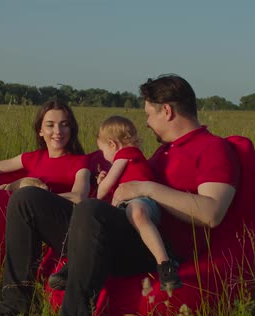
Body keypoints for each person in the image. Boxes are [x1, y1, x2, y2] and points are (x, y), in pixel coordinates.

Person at [0, 74, 244, 316]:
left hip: (152, 247)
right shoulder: (164, 151)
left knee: (91, 209)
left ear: (166, 111)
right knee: (26, 200)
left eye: (148, 114)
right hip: (117, 230)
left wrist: (146, 188)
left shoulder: (213, 148)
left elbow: (212, 212)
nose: (146, 123)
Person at [47, 115, 181, 292]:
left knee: (135, 211)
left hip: (143, 201)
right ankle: (76, 265)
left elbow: (103, 191)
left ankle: (166, 264)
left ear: (112, 145)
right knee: (102, 226)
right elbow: (116, 192)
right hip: (128, 205)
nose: (105, 157)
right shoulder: (130, 160)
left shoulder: (127, 153)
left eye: (103, 151)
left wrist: (103, 185)